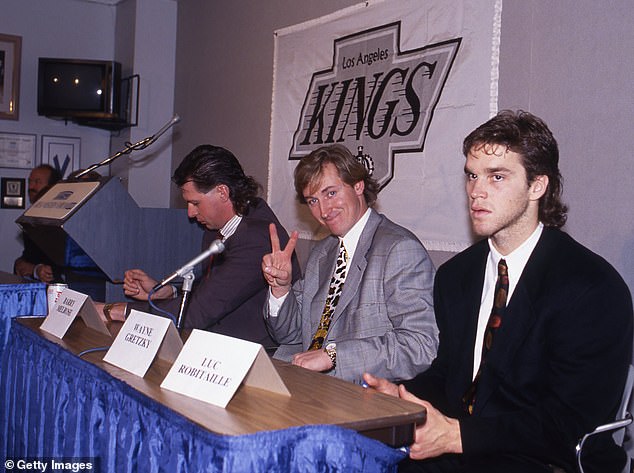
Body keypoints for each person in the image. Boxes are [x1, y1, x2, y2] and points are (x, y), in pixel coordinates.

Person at [364, 110, 633, 473]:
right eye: (472, 175)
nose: (477, 190)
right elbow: (449, 376)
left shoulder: (592, 288)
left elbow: (570, 422)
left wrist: (458, 436)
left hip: (546, 461)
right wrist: (401, 398)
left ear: (537, 185)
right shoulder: (457, 275)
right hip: (464, 450)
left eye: (497, 176)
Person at [262, 144, 438, 383]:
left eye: (330, 193)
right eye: (313, 200)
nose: (323, 210)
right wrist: (281, 289)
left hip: (359, 395)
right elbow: (289, 334)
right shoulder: (322, 252)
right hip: (304, 382)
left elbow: (420, 345)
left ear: (358, 185)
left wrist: (332, 356)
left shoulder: (399, 249)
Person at [106, 145, 299, 348]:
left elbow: (199, 312)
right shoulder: (220, 227)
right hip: (218, 344)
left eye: (195, 203)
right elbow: (216, 289)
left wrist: (117, 310)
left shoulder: (257, 238)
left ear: (222, 192)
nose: (190, 213)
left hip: (257, 357)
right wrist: (169, 292)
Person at [14, 164, 63, 282]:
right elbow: (26, 260)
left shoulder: (59, 220)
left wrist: (34, 269)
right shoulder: (31, 219)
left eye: (37, 182)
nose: (31, 187)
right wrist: (31, 268)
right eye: (30, 181)